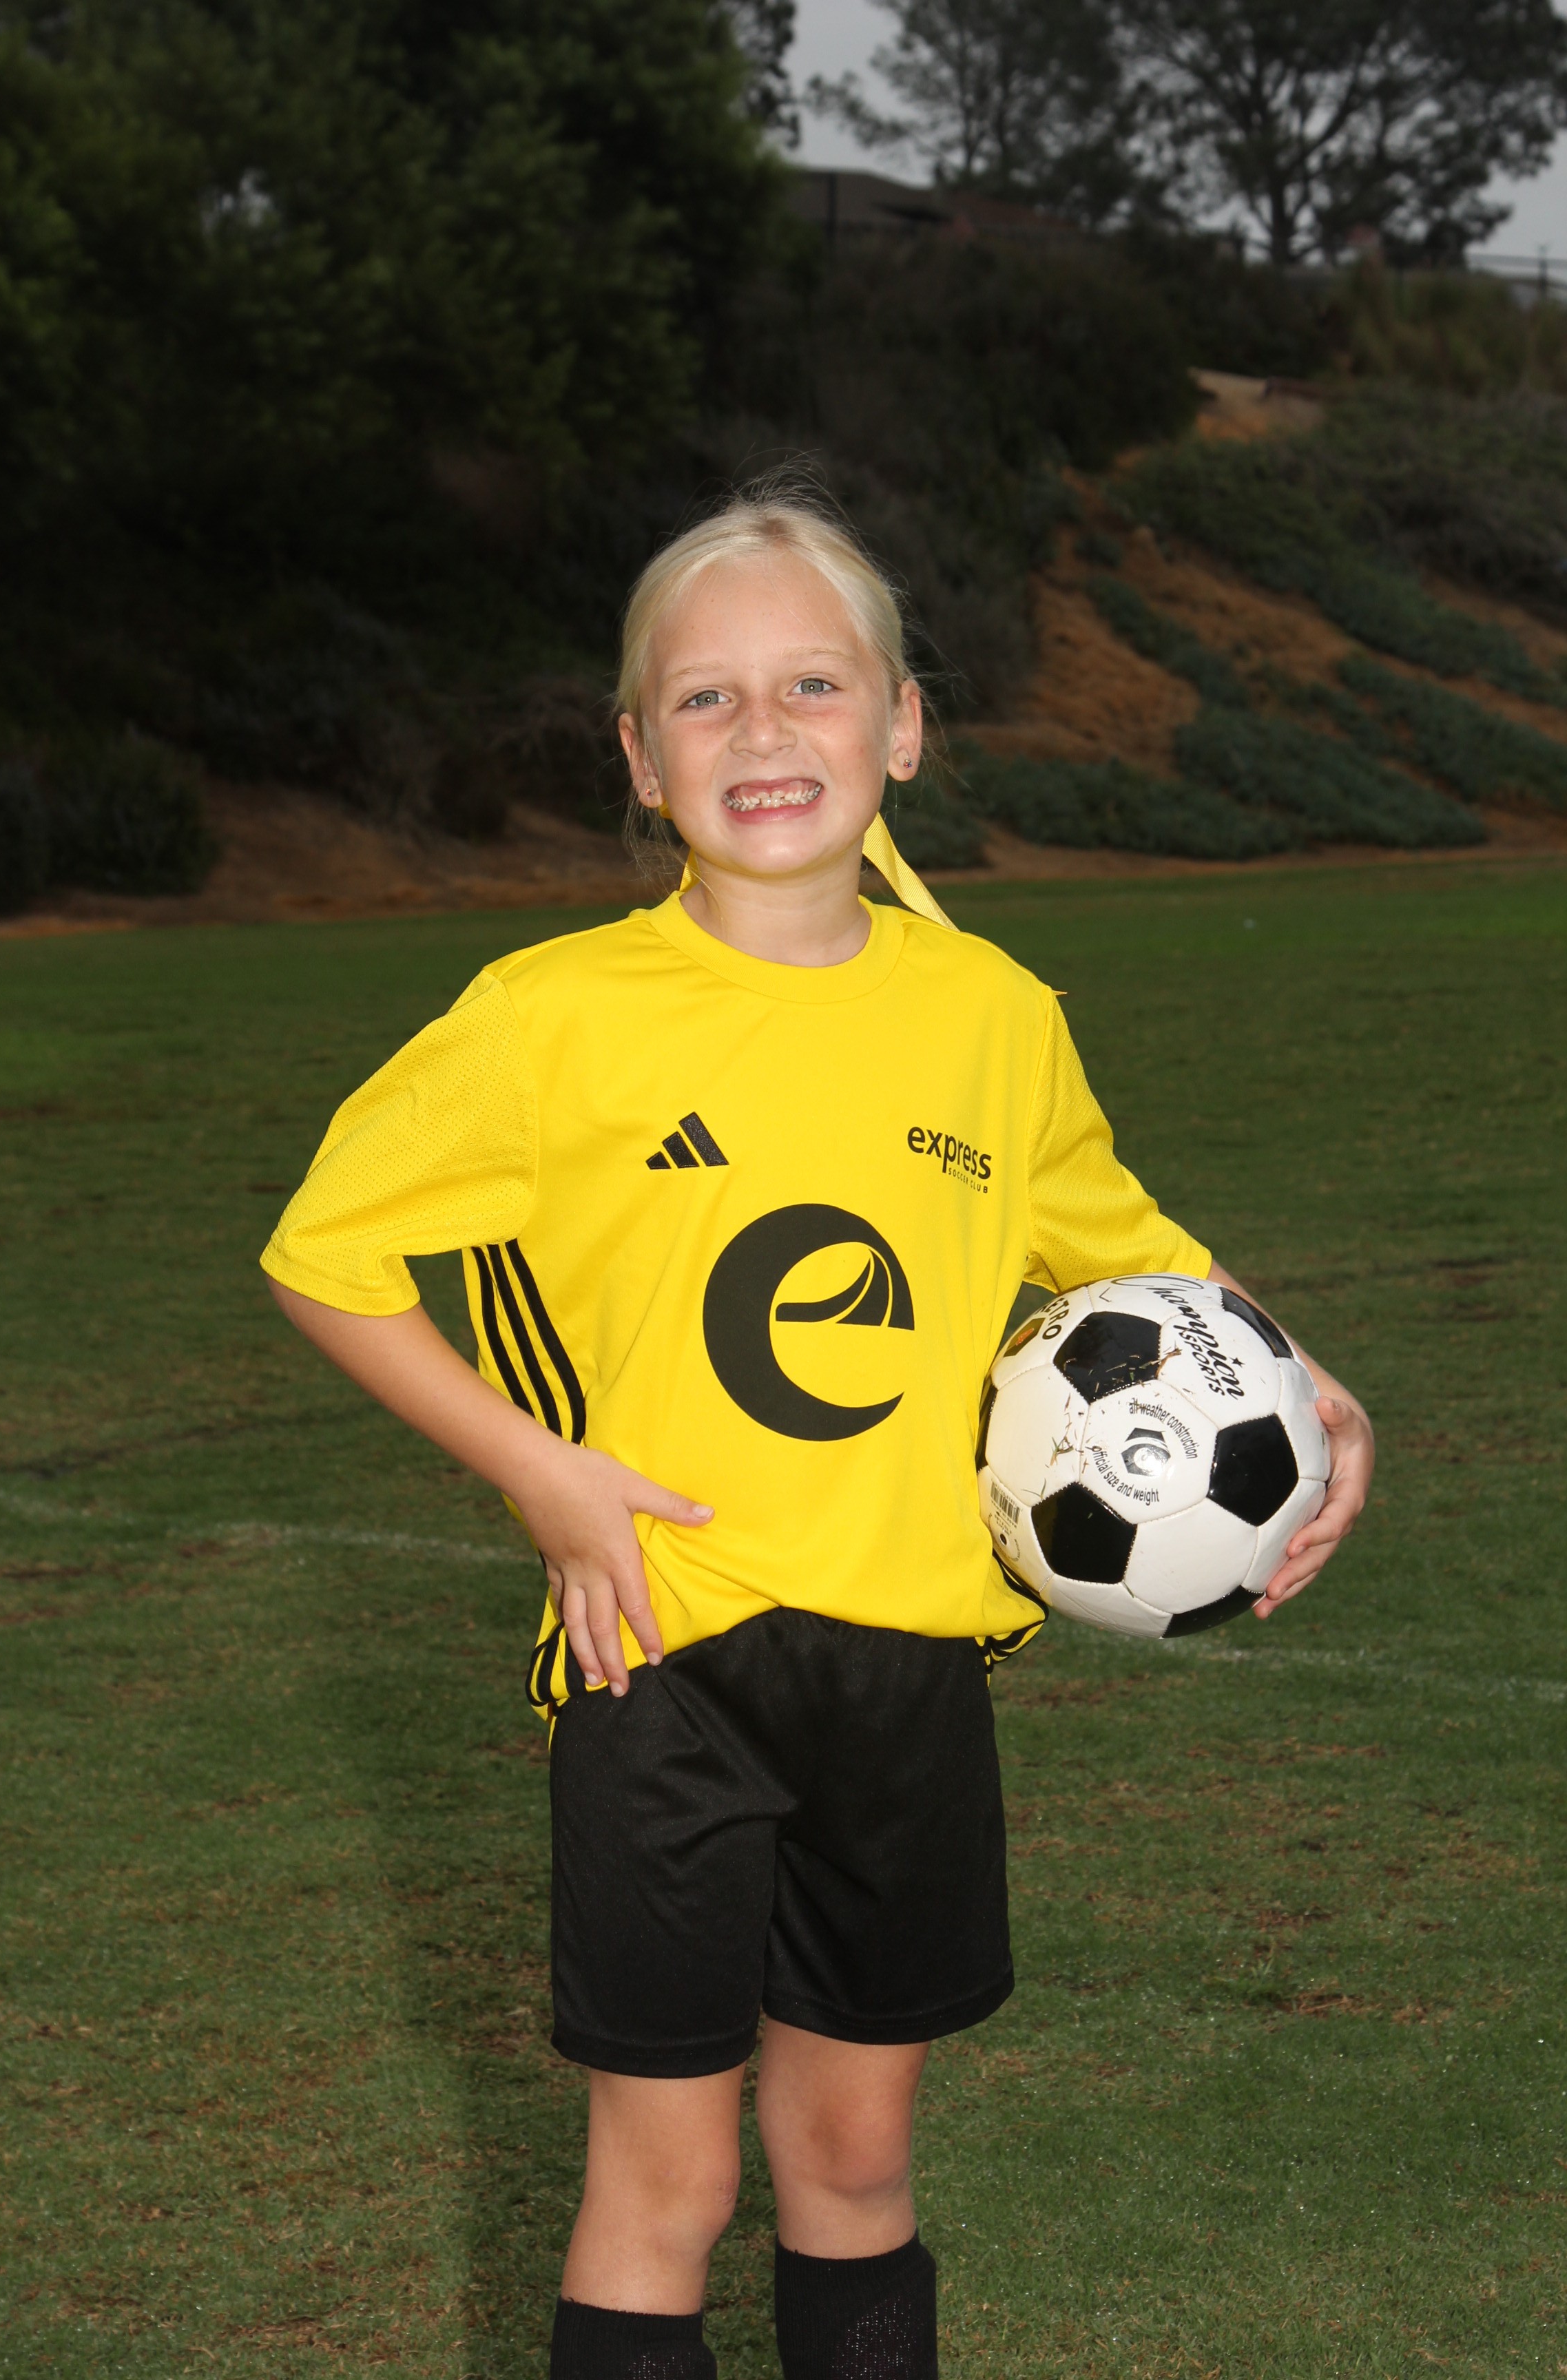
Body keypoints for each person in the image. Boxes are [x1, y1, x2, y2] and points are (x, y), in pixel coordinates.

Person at [262, 489, 1375, 2380]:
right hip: (662, 1662)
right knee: (668, 2184)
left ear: (903, 726)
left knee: (854, 2163)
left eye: (813, 684)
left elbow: (1131, 1258)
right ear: (638, 756)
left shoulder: (993, 1016)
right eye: (704, 698)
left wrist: (1309, 1385)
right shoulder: (553, 1016)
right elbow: (327, 1256)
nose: (762, 732)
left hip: (911, 1672)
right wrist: (540, 1471)